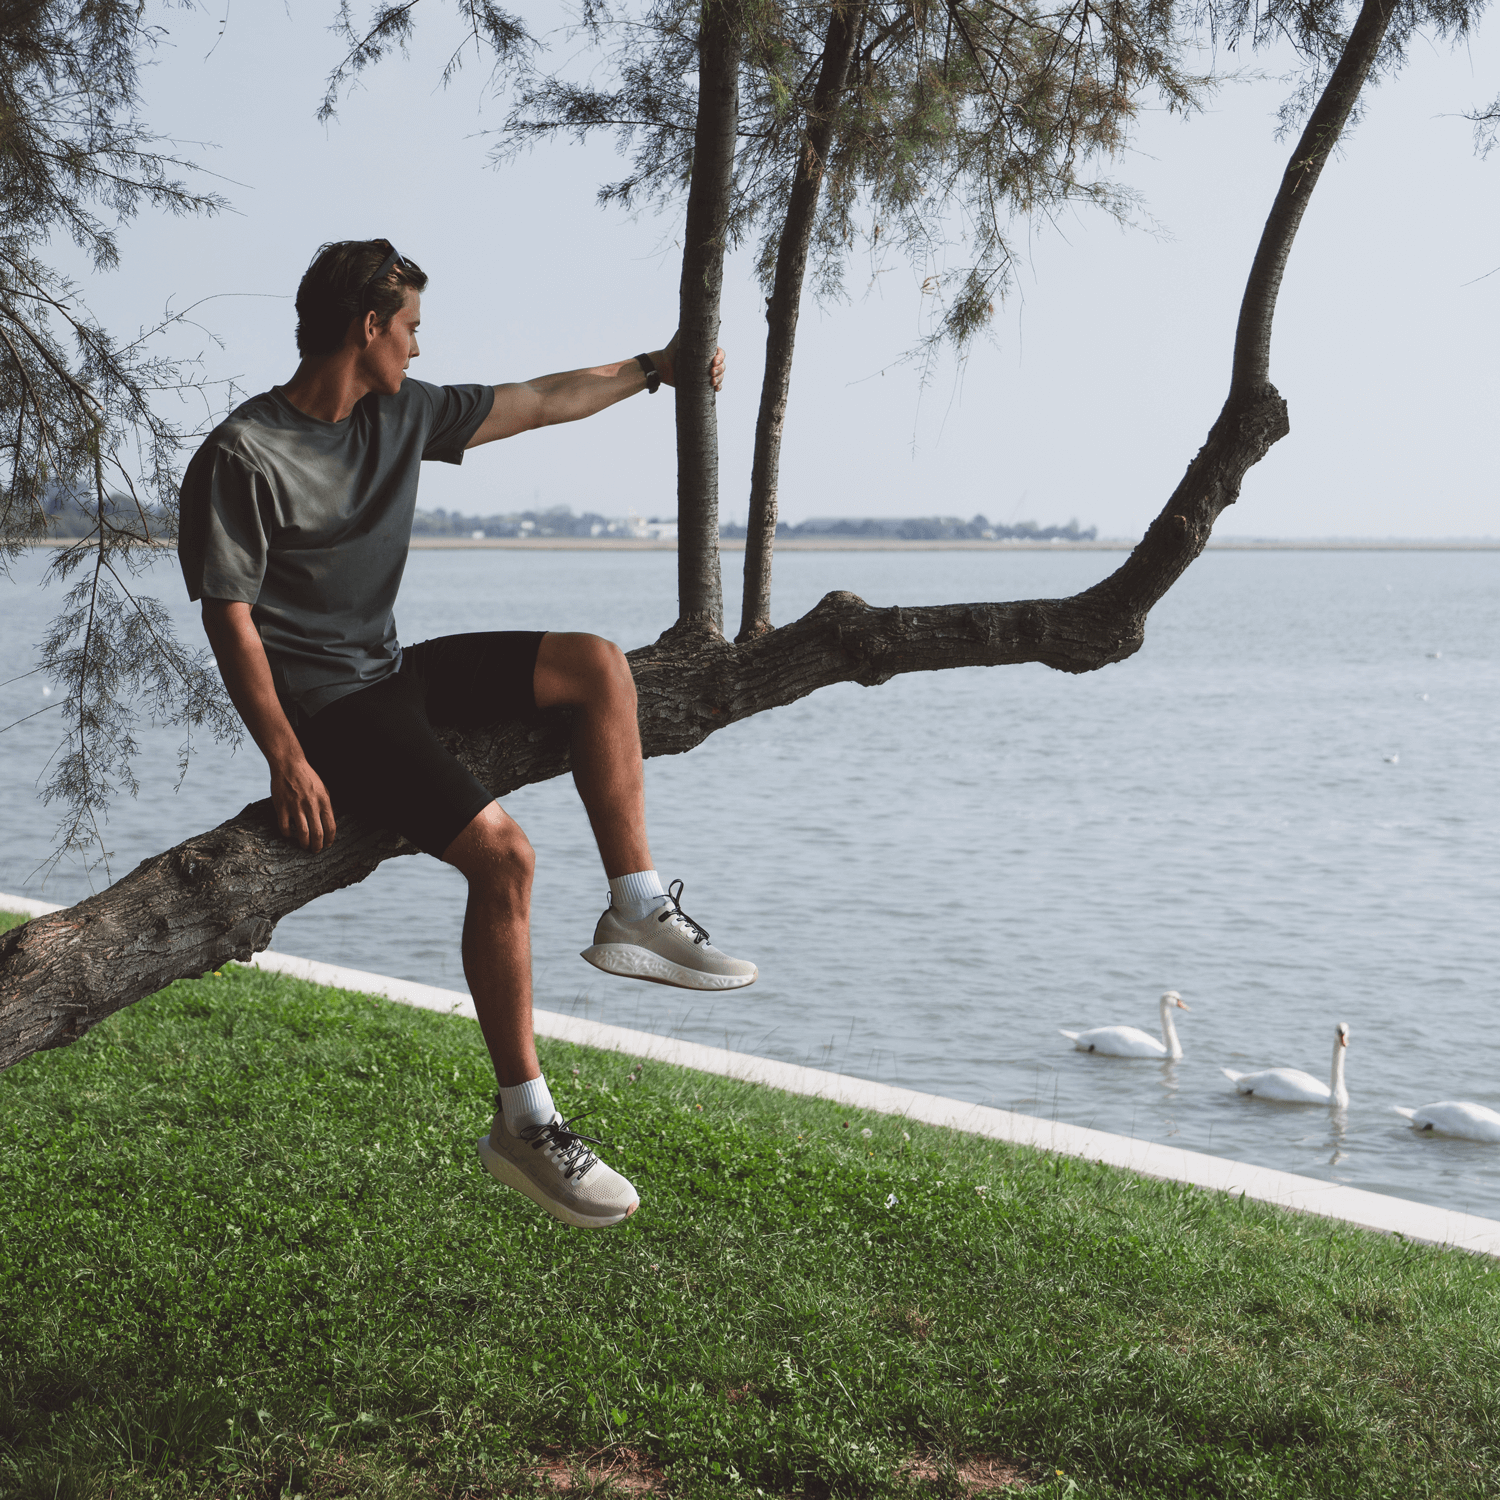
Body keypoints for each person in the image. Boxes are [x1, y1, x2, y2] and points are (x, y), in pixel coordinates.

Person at [178, 238, 756, 1231]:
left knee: (594, 662)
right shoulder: (244, 453)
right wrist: (285, 754)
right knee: (504, 856)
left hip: (394, 673)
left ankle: (636, 904)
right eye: (408, 329)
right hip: (331, 710)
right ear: (367, 327)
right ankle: (525, 1124)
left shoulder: (401, 410)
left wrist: (656, 367)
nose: (417, 346)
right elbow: (230, 618)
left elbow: (537, 400)